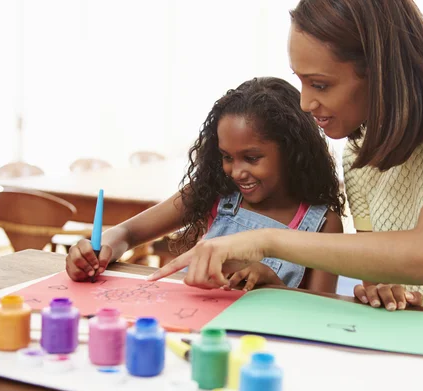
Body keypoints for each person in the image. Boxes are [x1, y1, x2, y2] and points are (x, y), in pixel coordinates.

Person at [148, 0, 423, 327]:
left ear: (381, 68)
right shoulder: (358, 152)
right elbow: (387, 267)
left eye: (320, 84)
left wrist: (266, 240)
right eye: (300, 81)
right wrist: (382, 288)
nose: (305, 103)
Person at [67, 77, 351, 293]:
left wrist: (273, 286)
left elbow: (318, 314)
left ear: (293, 152)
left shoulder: (323, 224)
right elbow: (127, 232)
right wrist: (100, 249)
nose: (236, 172)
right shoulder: (218, 194)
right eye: (227, 157)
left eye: (251, 158)